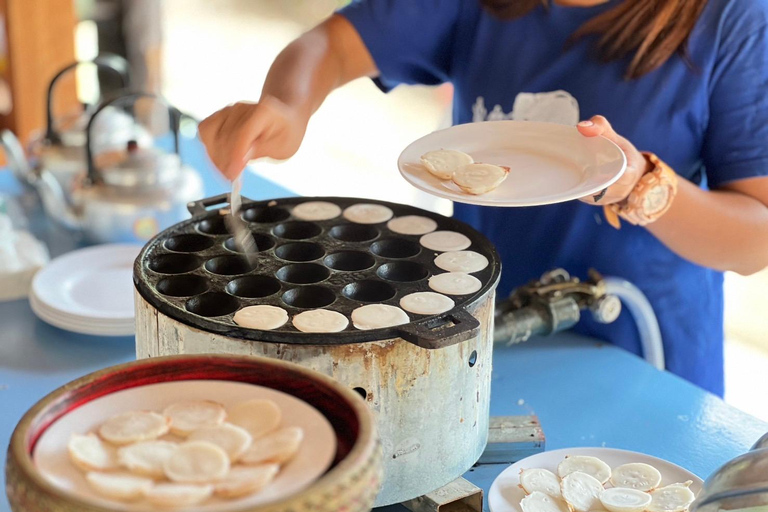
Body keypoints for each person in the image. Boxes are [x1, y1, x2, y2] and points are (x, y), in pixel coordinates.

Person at [198, 0, 768, 396]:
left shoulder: (732, 20)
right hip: (476, 335)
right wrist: (286, 105)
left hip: (644, 356)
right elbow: (331, 44)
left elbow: (754, 238)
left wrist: (640, 184)